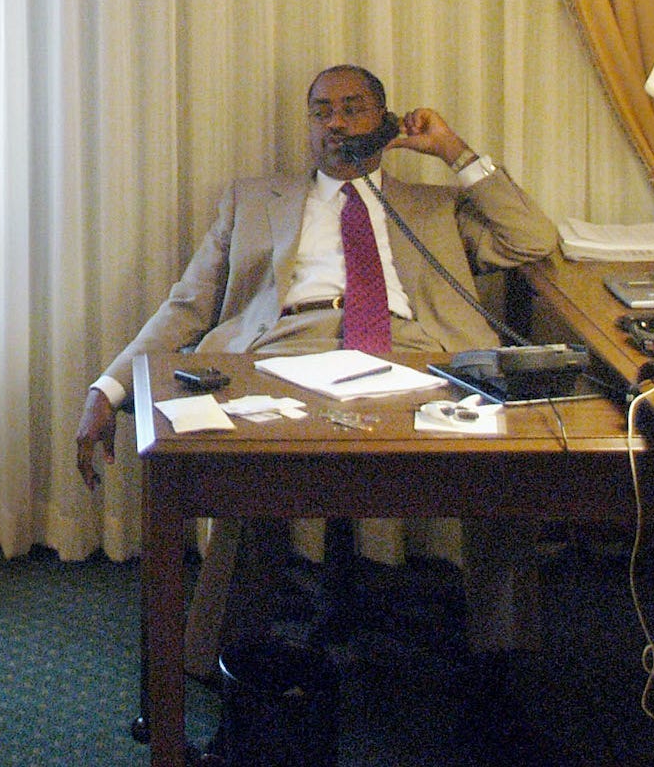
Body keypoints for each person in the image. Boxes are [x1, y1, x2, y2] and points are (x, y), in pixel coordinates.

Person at [73, 64, 559, 747]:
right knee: (240, 473)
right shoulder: (252, 201)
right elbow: (187, 306)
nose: (336, 123)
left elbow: (534, 240)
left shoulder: (431, 206)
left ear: (385, 122)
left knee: (503, 470)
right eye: (322, 111)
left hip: (420, 350)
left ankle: (499, 664)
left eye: (355, 109)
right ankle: (215, 656)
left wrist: (453, 150)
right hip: (284, 349)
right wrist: (108, 387)